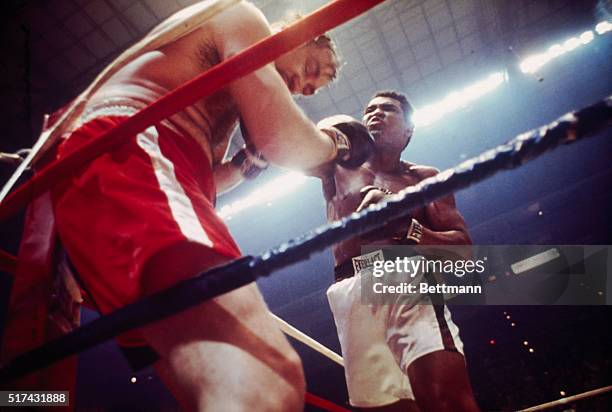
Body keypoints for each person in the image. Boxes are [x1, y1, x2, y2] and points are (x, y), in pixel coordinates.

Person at [27, 1, 372, 410]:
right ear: (301, 30)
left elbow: (205, 176)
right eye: (314, 70)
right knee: (267, 376)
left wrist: (248, 162)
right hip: (128, 150)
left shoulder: (220, 97)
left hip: (127, 179)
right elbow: (283, 139)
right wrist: (339, 145)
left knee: (45, 387)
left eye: (312, 90)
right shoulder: (242, 17)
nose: (304, 88)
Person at [312, 90, 480, 411]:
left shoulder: (423, 178)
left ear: (408, 130)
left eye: (388, 109)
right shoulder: (340, 163)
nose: (375, 113)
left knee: (446, 400)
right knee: (387, 407)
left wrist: (407, 226)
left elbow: (462, 252)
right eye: (370, 110)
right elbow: (305, 151)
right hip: (350, 288)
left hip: (406, 277)